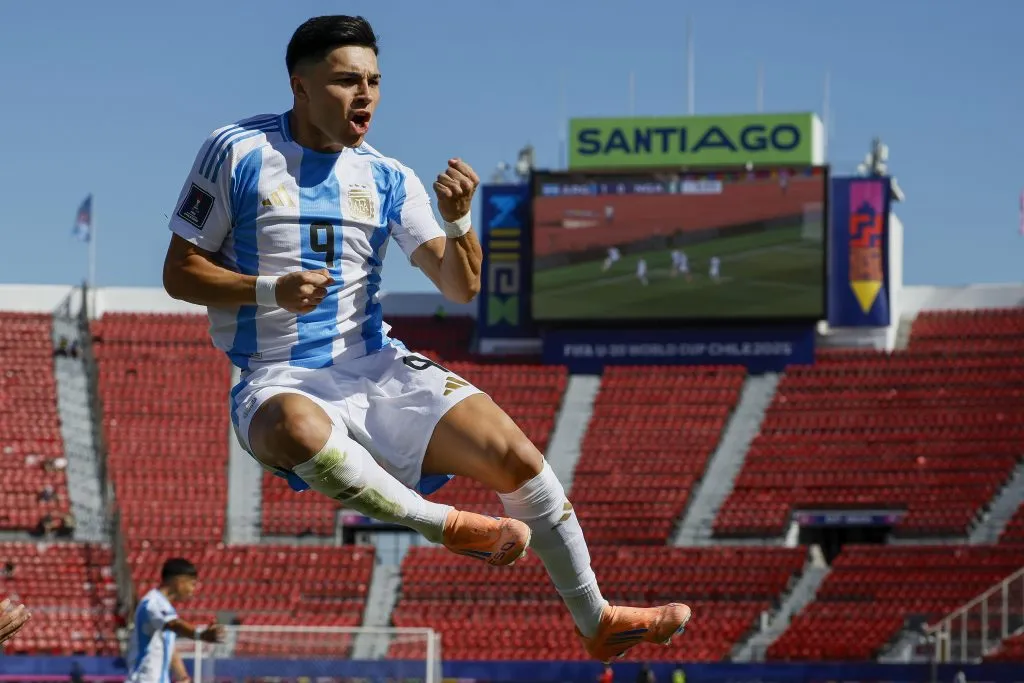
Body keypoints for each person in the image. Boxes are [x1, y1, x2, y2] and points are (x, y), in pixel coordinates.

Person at [161, 15, 690, 663]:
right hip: (277, 374)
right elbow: (179, 272)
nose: (366, 96)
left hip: (374, 362)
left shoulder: (387, 176)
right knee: (296, 430)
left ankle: (597, 618)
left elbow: (460, 286)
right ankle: (447, 525)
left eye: (374, 82)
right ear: (300, 86)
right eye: (346, 80)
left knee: (515, 454)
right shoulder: (237, 150)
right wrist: (270, 289)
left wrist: (459, 219)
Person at [126, 558, 225, 683]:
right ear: (179, 581)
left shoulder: (165, 608)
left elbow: (169, 646)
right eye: (192, 584)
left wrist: (183, 677)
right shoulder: (153, 602)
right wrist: (201, 634)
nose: (193, 590)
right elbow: (175, 624)